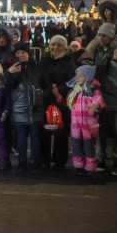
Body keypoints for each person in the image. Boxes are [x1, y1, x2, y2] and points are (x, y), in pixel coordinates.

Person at [92, 22, 117, 176]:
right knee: (100, 131)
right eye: (99, 34)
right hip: (101, 97)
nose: (101, 38)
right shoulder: (97, 51)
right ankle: (100, 159)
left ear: (111, 37)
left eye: (104, 35)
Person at [37, 35, 76, 170]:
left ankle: (60, 161)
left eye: (59, 45)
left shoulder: (69, 61)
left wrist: (59, 89)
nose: (55, 47)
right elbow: (38, 77)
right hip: (46, 99)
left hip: (61, 100)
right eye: (53, 44)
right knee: (44, 130)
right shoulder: (45, 60)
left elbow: (72, 81)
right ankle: (44, 159)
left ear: (65, 47)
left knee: (61, 132)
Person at [6, 43, 45, 173]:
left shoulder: (38, 67)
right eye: (18, 53)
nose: (21, 55)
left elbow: (46, 84)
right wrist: (8, 73)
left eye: (23, 52)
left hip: (35, 108)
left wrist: (41, 97)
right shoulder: (12, 68)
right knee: (21, 137)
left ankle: (35, 162)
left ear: (29, 54)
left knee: (35, 137)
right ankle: (22, 162)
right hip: (19, 108)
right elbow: (6, 87)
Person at [66, 65, 104, 176]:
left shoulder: (93, 90)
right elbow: (68, 103)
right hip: (76, 124)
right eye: (77, 75)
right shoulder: (74, 90)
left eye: (81, 76)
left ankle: (90, 167)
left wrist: (96, 105)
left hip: (89, 125)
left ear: (88, 77)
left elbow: (99, 101)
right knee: (76, 146)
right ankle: (79, 166)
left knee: (89, 147)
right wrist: (58, 96)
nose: (77, 78)